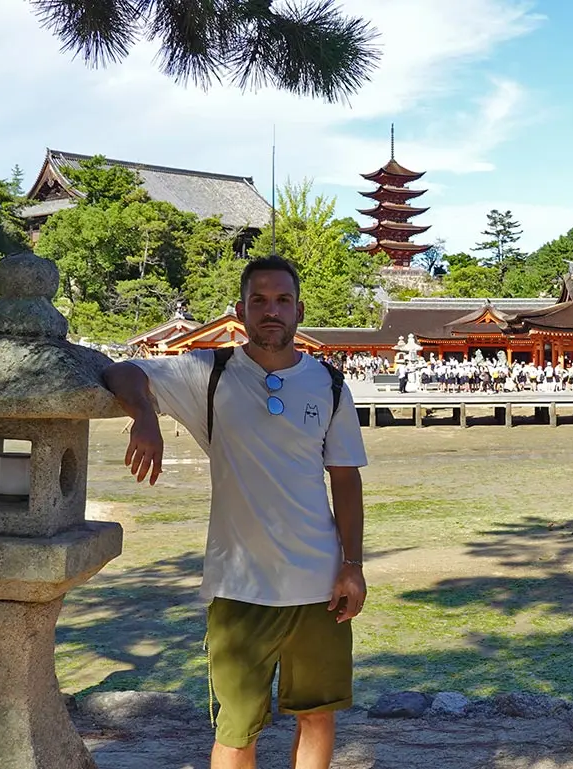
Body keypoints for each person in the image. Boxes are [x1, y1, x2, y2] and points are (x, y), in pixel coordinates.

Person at [101, 255, 368, 769]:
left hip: (319, 582)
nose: (272, 311)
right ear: (241, 311)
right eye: (260, 301)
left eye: (282, 301)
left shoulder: (331, 386)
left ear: (299, 311)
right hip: (239, 585)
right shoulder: (211, 373)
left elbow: (346, 478)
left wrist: (352, 566)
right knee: (236, 726)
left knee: (317, 714)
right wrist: (145, 418)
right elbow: (122, 370)